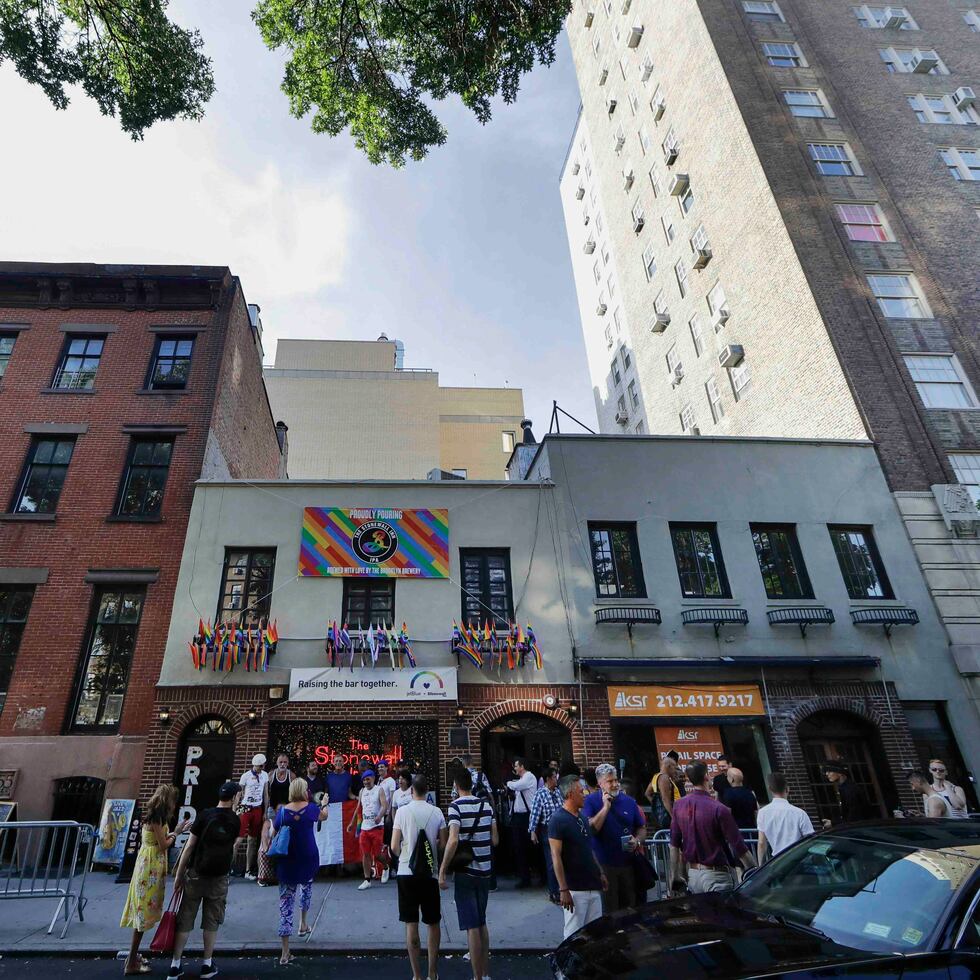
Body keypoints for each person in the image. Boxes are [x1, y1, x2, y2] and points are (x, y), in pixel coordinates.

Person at [169, 780, 242, 979]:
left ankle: (175, 965)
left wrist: (178, 874)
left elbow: (189, 847)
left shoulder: (203, 815)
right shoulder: (235, 820)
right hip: (218, 877)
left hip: (195, 874)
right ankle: (207, 964)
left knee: (185, 918)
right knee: (211, 920)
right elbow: (232, 848)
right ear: (235, 797)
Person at [120, 784, 190, 976]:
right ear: (167, 801)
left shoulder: (154, 817)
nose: (175, 805)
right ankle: (131, 961)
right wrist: (177, 832)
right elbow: (163, 845)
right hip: (149, 868)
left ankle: (132, 957)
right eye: (173, 801)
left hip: (148, 864)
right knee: (142, 915)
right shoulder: (157, 819)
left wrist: (175, 831)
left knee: (142, 913)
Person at [439, 767, 498, 980]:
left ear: (456, 785)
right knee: (481, 922)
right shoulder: (486, 806)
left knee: (471, 926)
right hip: (485, 871)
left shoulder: (455, 807)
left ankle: (477, 977)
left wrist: (443, 870)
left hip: (465, 872)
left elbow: (453, 839)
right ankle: (485, 973)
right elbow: (495, 840)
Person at [391, 775, 447, 980]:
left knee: (410, 923)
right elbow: (443, 844)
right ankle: (433, 972)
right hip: (429, 873)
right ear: (427, 790)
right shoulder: (437, 812)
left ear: (412, 790)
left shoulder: (403, 812)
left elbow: (394, 846)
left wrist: (404, 854)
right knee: (433, 922)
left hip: (407, 872)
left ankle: (417, 975)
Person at [669, 762, 755, 895]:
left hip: (693, 876)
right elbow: (738, 845)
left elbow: (674, 844)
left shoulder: (679, 805)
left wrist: (675, 876)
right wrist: (754, 870)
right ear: (706, 777)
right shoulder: (718, 808)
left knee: (703, 915)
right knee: (724, 915)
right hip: (717, 875)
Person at [273, 777, 330, 966]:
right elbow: (324, 816)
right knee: (306, 889)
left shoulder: (282, 813)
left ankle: (285, 951)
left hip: (287, 859)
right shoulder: (311, 809)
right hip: (308, 856)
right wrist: (324, 804)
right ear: (304, 790)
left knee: (286, 904)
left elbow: (274, 831)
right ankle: (303, 923)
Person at [548, 774, 608, 939]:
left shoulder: (581, 818)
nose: (584, 794)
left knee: (595, 935)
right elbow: (556, 856)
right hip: (574, 888)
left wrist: (600, 872)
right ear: (570, 794)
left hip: (592, 884)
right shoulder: (557, 820)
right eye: (581, 792)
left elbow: (589, 848)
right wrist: (563, 889)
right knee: (574, 934)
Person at [582, 763, 646, 913]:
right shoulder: (591, 801)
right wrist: (605, 808)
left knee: (629, 909)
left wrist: (636, 840)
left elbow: (641, 828)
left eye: (616, 780)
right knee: (609, 911)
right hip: (605, 866)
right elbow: (591, 829)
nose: (615, 784)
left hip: (628, 864)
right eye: (610, 781)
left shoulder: (629, 802)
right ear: (600, 783)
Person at [756, 772, 814, 864]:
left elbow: (761, 843)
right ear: (787, 789)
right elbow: (810, 838)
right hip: (800, 859)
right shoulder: (800, 813)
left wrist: (760, 866)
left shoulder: (763, 813)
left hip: (778, 861)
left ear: (770, 789)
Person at [348, 768, 389, 889]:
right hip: (365, 828)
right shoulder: (362, 791)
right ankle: (367, 879)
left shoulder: (379, 790)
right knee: (365, 854)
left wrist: (379, 816)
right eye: (364, 780)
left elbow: (384, 805)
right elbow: (358, 808)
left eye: (368, 779)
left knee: (376, 854)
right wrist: (352, 823)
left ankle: (386, 867)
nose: (366, 782)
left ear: (373, 778)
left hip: (377, 827)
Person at [529, 768, 563, 902]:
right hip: (547, 828)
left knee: (562, 859)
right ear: (548, 779)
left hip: (561, 827)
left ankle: (563, 888)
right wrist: (532, 831)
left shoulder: (559, 792)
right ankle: (554, 891)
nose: (556, 779)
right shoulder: (540, 794)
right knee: (551, 861)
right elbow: (535, 813)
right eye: (554, 777)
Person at [506, 757, 537, 888]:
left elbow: (516, 786)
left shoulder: (528, 777)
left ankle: (529, 877)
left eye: (517, 766)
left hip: (526, 817)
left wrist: (508, 783)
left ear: (523, 766)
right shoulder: (522, 779)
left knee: (526, 848)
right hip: (518, 817)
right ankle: (525, 877)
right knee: (520, 848)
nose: (515, 769)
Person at [238, 753, 268, 880]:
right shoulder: (246, 776)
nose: (260, 768)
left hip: (257, 807)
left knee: (253, 839)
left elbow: (266, 794)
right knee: (238, 839)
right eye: (259, 766)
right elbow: (239, 793)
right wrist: (236, 809)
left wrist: (265, 811)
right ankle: (229, 869)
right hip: (246, 806)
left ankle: (248, 870)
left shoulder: (264, 775)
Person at [821, 762, 874, 827]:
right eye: (826, 771)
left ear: (839, 773)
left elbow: (853, 817)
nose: (827, 774)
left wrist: (833, 823)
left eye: (829, 771)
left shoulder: (850, 789)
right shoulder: (844, 788)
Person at [646, 755, 681, 830]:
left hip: (660, 815)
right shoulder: (664, 778)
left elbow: (647, 793)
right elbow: (665, 799)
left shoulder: (656, 777)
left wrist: (656, 804)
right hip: (668, 817)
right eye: (674, 768)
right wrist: (673, 817)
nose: (675, 771)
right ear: (669, 766)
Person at [257, 808, 278, 887]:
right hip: (268, 846)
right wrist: (266, 849)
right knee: (263, 853)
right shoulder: (268, 823)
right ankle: (261, 879)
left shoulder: (283, 822)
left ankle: (273, 878)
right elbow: (264, 836)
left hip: (277, 847)